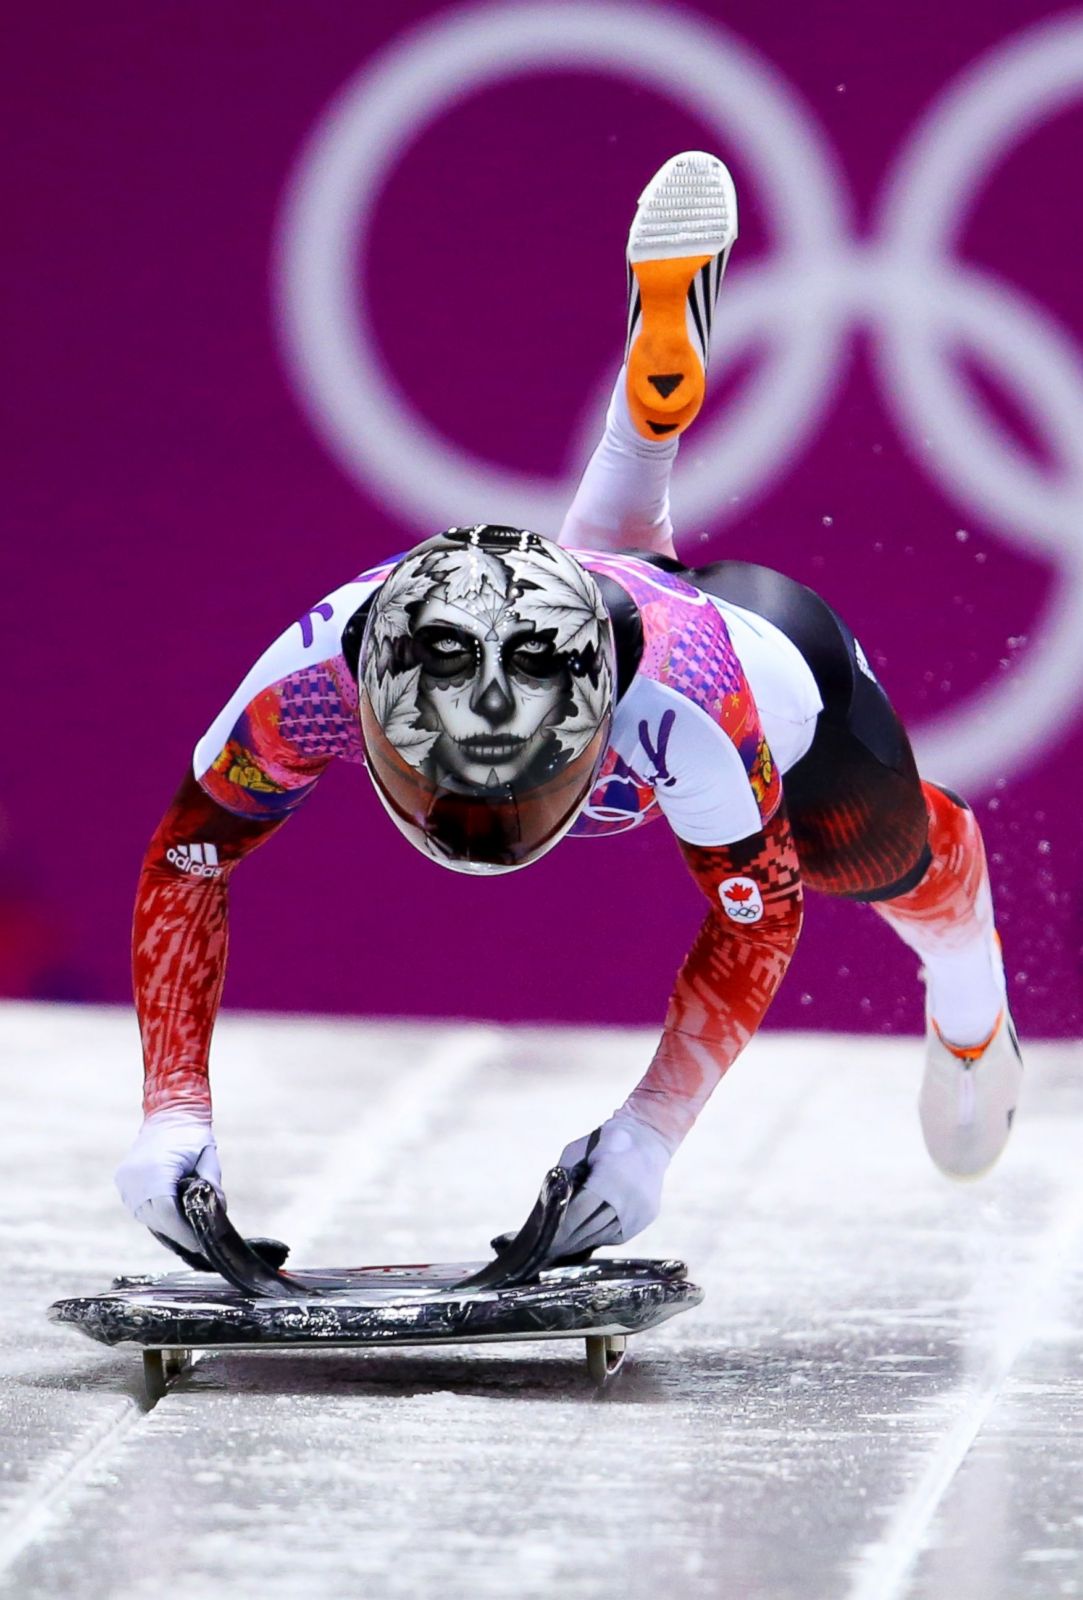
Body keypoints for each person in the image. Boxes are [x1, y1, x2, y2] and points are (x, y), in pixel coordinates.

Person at [117, 153, 1022, 1265]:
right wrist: (171, 1114)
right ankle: (639, 436)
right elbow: (187, 863)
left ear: (592, 730)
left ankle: (974, 1011)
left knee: (880, 860)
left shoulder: (696, 713)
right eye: (455, 784)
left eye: (520, 786)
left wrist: (650, 1135)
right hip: (612, 631)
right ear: (378, 708)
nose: (482, 820)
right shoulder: (318, 679)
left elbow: (757, 914)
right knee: (595, 573)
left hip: (765, 652)